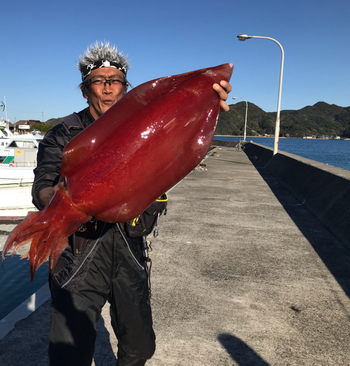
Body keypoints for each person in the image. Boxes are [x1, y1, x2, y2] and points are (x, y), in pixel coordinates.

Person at [31, 42, 232, 366]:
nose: (109, 88)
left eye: (116, 81)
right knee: (69, 354)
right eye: (100, 80)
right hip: (80, 256)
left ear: (127, 89)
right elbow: (42, 184)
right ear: (85, 90)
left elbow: (182, 143)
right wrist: (64, 199)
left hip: (131, 248)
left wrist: (205, 103)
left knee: (140, 347)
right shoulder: (64, 135)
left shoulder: (147, 127)